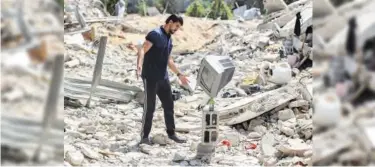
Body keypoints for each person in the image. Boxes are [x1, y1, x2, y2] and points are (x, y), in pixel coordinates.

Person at [136, 14, 189, 145]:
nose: (177, 29)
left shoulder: (169, 39)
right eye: (176, 26)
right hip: (150, 77)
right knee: (150, 107)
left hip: (163, 77)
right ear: (170, 22)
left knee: (169, 105)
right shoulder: (155, 34)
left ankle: (171, 134)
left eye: (179, 27)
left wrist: (179, 74)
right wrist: (139, 64)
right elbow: (143, 49)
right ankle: (144, 137)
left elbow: (169, 60)